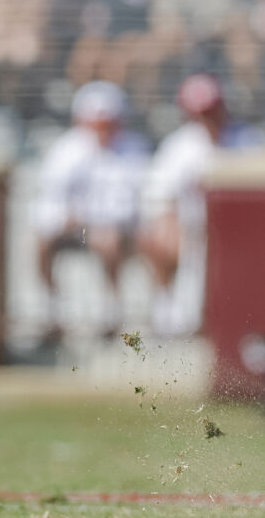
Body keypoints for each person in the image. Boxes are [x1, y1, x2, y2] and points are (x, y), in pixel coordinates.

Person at [139, 75, 261, 336]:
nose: (208, 119)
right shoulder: (179, 146)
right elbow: (160, 195)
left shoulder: (249, 140)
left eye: (211, 111)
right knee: (157, 238)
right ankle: (172, 315)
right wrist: (169, 224)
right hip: (193, 230)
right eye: (201, 113)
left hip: (242, 235)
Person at [33, 80, 151, 342]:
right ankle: (52, 312)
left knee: (108, 240)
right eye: (95, 123)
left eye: (108, 123)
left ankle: (110, 313)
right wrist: (71, 220)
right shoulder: (65, 151)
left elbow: (133, 207)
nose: (102, 130)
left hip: (121, 232)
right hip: (78, 230)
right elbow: (49, 205)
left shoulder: (135, 149)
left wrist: (98, 223)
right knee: (40, 241)